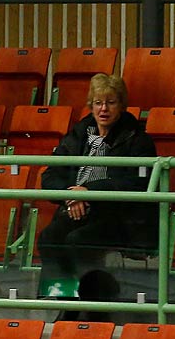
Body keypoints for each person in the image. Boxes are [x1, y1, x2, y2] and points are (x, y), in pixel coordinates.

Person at [37, 73, 158, 297]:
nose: (104, 109)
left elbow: (135, 184)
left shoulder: (138, 139)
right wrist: (70, 196)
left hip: (117, 216)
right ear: (91, 105)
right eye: (98, 103)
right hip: (76, 208)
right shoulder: (79, 134)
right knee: (48, 237)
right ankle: (64, 299)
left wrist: (89, 192)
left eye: (111, 103)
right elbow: (51, 174)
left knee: (77, 241)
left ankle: (94, 300)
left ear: (121, 105)